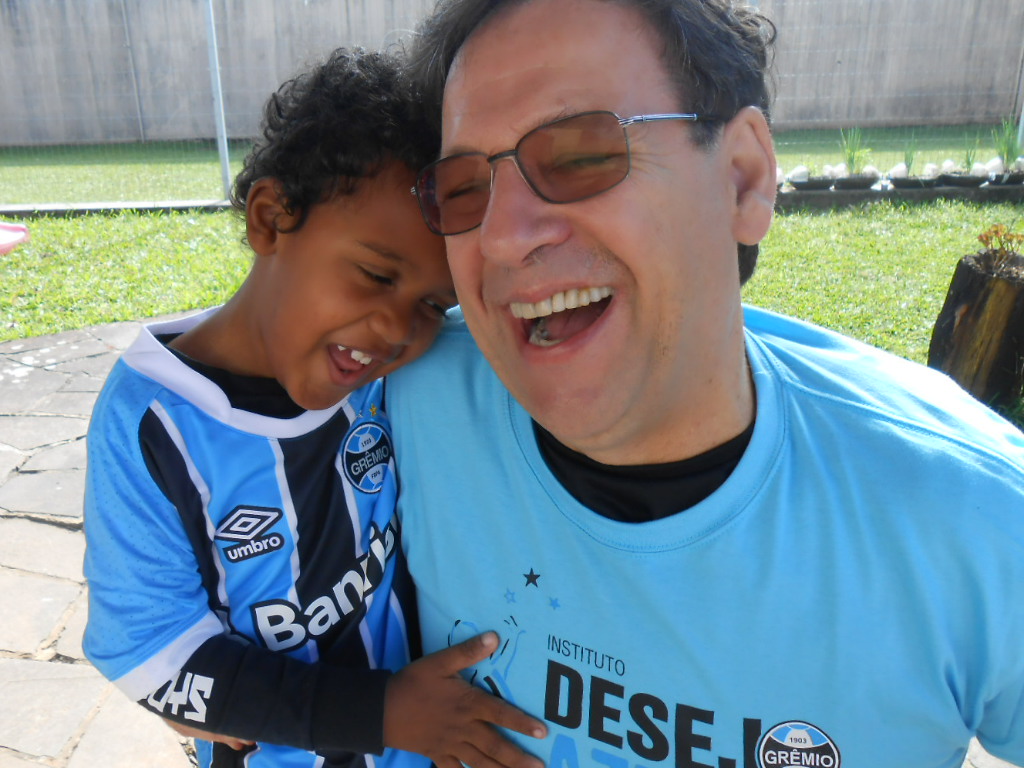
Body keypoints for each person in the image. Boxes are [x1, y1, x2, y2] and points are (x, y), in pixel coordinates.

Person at [385, 1, 1024, 767]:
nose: (503, 235)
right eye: (462, 191)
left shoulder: (976, 516)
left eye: (582, 154)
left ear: (743, 178)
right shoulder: (401, 400)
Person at [82, 47, 545, 768]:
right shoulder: (153, 426)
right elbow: (149, 654)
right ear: (271, 218)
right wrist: (384, 714)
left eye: (429, 304)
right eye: (373, 274)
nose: (395, 330)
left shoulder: (387, 378)